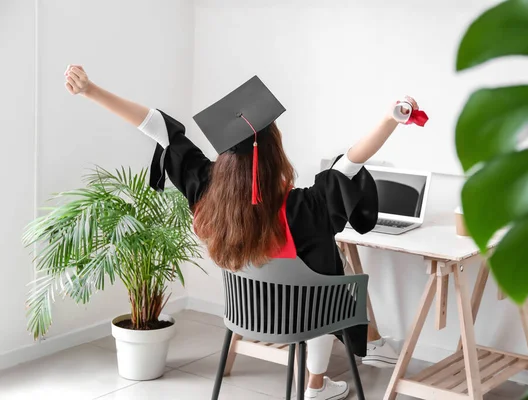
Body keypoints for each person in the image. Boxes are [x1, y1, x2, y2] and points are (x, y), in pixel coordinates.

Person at [64, 64, 419, 400]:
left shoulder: (206, 192)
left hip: (248, 313)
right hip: (309, 315)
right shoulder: (304, 207)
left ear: (225, 157)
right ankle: (315, 385)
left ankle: (341, 364)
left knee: (325, 269)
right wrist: (390, 118)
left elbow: (159, 128)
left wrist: (91, 90)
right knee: (330, 274)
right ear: (275, 154)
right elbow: (350, 163)